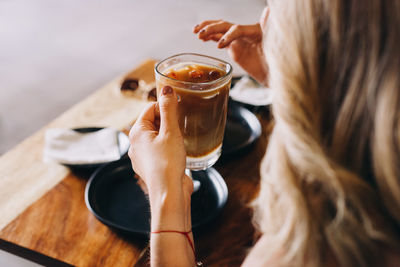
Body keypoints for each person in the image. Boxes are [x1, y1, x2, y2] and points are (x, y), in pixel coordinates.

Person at [128, 0, 400, 266]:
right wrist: (296, 86)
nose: (265, 21)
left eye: (279, 11)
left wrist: (166, 192)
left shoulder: (299, 255)